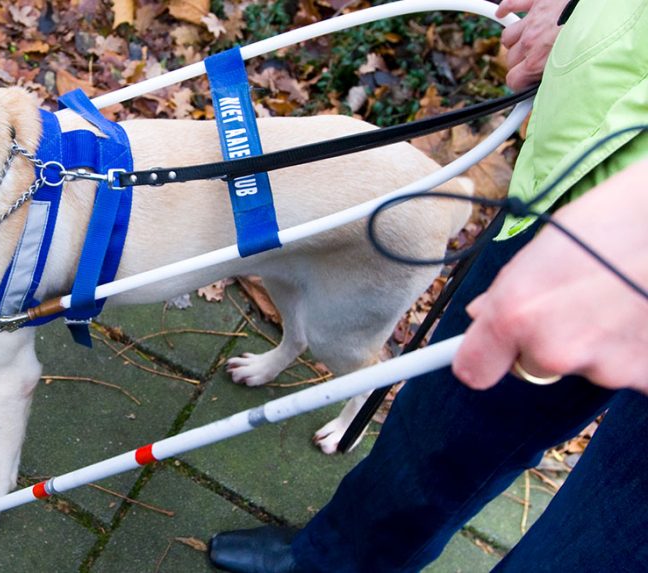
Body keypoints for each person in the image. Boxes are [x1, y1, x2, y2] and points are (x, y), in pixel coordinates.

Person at [208, 0, 648, 570]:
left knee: (607, 538)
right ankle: (336, 559)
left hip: (616, 223)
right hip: (569, 182)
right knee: (446, 419)